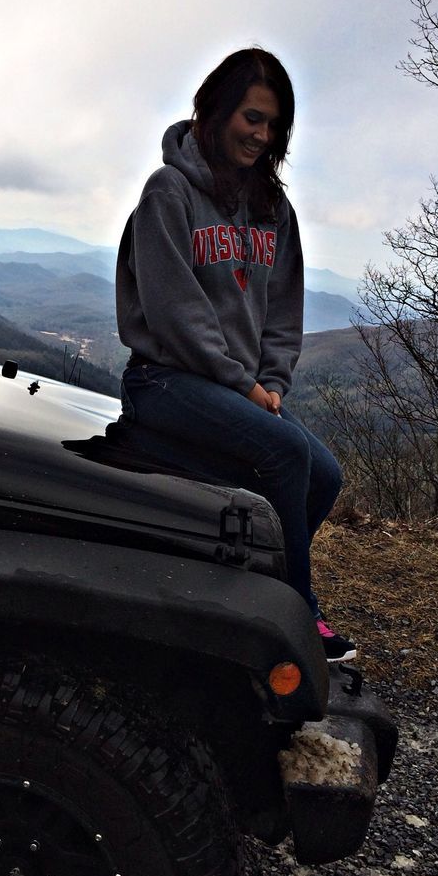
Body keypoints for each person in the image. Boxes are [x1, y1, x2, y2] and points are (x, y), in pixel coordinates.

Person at [115, 47, 356, 662]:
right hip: (165, 380)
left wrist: (271, 380)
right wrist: (240, 383)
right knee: (285, 451)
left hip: (240, 388)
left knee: (323, 474)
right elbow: (176, 313)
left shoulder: (273, 210)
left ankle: (250, 586)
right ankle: (296, 612)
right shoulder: (168, 192)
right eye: (252, 117)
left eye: (273, 125)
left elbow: (283, 310)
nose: (261, 134)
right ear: (217, 111)